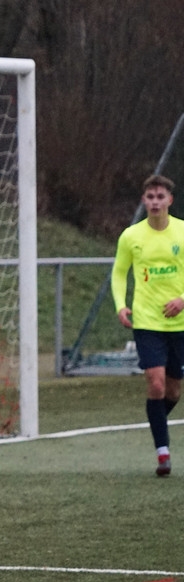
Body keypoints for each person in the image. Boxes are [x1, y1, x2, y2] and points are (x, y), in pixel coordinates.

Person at [111, 174, 184, 477]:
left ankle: (156, 421)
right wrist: (121, 305)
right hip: (147, 321)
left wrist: (182, 300)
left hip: (179, 324)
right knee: (155, 383)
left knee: (173, 391)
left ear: (170, 200)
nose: (155, 202)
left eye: (160, 197)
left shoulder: (182, 232)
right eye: (150, 197)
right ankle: (162, 453)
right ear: (144, 200)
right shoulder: (131, 236)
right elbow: (119, 273)